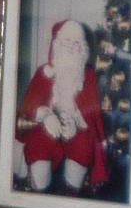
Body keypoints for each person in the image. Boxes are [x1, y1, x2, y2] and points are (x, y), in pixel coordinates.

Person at [14, 19, 108, 193]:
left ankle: (71, 190)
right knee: (39, 140)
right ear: (57, 44)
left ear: (84, 48)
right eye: (68, 42)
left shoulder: (89, 77)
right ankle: (39, 187)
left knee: (83, 144)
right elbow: (28, 108)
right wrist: (46, 116)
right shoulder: (44, 72)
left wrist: (76, 125)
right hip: (46, 127)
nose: (73, 47)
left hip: (75, 130)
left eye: (78, 42)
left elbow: (91, 116)